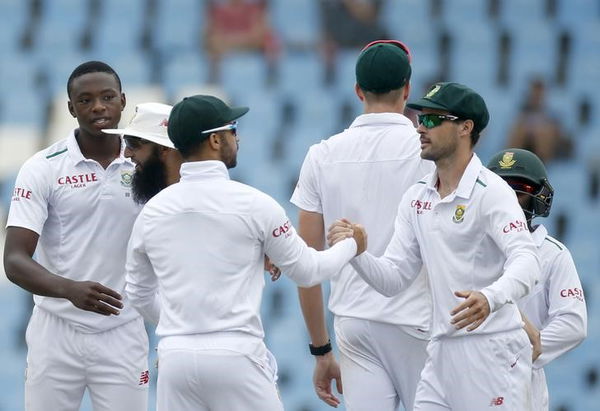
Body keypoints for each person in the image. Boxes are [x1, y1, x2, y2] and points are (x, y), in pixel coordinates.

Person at [124, 94, 362, 411]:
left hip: (175, 358)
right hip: (234, 355)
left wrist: (183, 330)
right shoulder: (254, 204)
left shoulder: (151, 213)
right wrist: (353, 244)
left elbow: (138, 293)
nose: (238, 137)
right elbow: (308, 271)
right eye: (232, 129)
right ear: (215, 140)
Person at [329, 82, 542, 410]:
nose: (420, 128)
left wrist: (490, 297)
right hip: (440, 352)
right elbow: (394, 279)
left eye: (432, 120)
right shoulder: (417, 196)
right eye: (419, 119)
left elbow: (527, 260)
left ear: (465, 128)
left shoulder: (492, 193)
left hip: (492, 352)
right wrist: (358, 252)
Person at [290, 40, 434, 410]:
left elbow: (305, 262)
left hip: (354, 323)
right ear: (407, 88)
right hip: (416, 319)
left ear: (357, 91)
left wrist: (321, 350)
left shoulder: (322, 155)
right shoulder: (428, 153)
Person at [3, 61, 148, 411]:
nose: (98, 106)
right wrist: (69, 289)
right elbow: (14, 260)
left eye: (107, 97)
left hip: (122, 328)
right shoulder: (42, 167)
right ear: (71, 108)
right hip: (55, 331)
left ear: (123, 101)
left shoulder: (147, 163)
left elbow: (193, 214)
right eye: (85, 100)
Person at [487, 148, 587, 411]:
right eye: (500, 190)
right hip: (465, 371)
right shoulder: (466, 246)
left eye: (517, 192)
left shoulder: (552, 254)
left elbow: (572, 323)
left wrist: (522, 352)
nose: (508, 201)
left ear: (537, 199)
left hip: (520, 383)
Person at [103, 102, 181, 204]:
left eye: (132, 143)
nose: (126, 153)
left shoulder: (191, 195)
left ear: (164, 149)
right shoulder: (159, 193)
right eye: (125, 141)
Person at [204, 0, 279, 83]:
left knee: (271, 42)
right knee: (213, 45)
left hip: (250, 44)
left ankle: (272, 81)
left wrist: (236, 40)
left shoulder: (254, 9)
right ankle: (214, 84)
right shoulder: (218, 10)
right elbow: (215, 33)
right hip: (226, 45)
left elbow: (259, 33)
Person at [506, 77, 571, 163]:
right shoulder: (521, 113)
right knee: (519, 130)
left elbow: (562, 136)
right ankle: (512, 164)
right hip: (525, 147)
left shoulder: (552, 115)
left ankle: (542, 164)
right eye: (534, 93)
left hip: (547, 151)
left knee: (544, 132)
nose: (536, 96)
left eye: (539, 93)